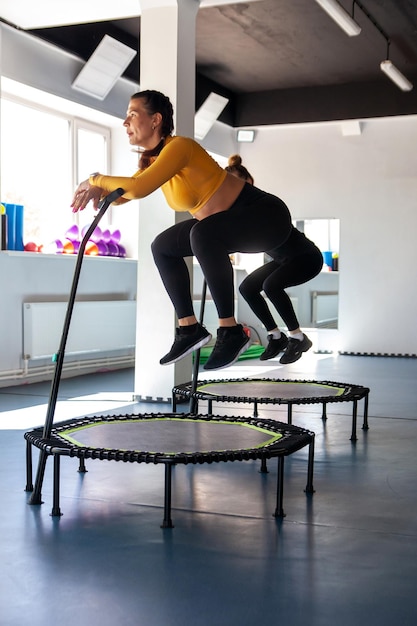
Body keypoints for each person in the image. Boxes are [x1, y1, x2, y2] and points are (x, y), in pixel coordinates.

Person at [71, 90, 295, 371]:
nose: (124, 122)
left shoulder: (180, 147)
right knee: (162, 246)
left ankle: (231, 330)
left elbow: (138, 188)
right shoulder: (158, 160)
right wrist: (100, 188)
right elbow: (129, 190)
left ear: (155, 120)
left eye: (132, 114)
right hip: (228, 222)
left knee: (202, 233)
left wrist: (94, 178)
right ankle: (189, 329)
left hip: (265, 216)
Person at [225, 154, 323, 364]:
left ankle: (298, 338)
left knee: (271, 286)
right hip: (283, 260)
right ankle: (276, 336)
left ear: (248, 184)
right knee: (247, 288)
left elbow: (251, 240)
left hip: (306, 257)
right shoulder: (237, 211)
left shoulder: (262, 205)